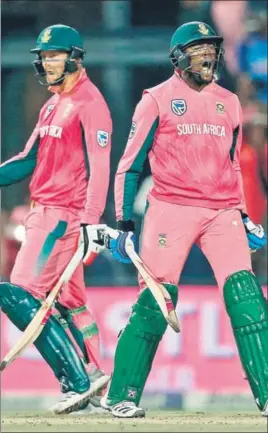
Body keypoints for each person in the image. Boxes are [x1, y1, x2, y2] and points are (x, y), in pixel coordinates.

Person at [100, 21, 267, 418]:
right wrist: (124, 224)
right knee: (159, 300)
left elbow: (230, 167)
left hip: (221, 211)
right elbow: (129, 166)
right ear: (178, 57)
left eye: (211, 50)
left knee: (246, 295)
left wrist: (242, 216)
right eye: (198, 50)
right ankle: (119, 395)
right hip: (170, 209)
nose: (208, 57)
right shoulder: (156, 99)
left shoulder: (229, 101)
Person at [0, 24, 112, 414]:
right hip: (43, 212)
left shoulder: (90, 103)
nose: (46, 63)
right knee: (69, 302)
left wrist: (91, 221)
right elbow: (28, 161)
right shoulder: (52, 103)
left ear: (74, 58)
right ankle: (95, 380)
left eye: (54, 55)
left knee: (19, 294)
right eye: (44, 56)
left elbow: (101, 168)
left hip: (63, 216)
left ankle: (76, 379)